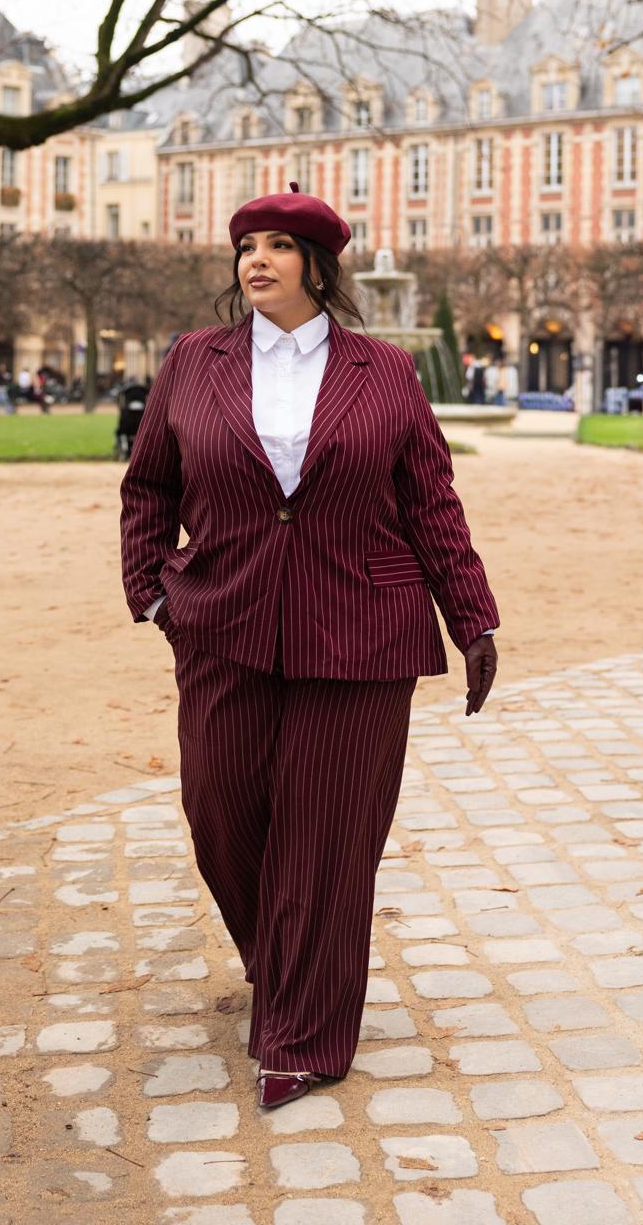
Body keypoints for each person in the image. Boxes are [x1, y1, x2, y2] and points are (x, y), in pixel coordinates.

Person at [120, 180, 500, 1114]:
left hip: (361, 625)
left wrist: (473, 616)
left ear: (319, 267)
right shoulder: (193, 360)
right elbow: (148, 487)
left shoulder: (386, 372)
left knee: (327, 838)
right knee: (221, 810)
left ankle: (304, 1031)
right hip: (223, 620)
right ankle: (283, 964)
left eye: (281, 245)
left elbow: (430, 502)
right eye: (247, 244)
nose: (258, 259)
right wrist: (152, 594)